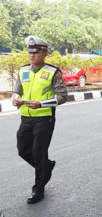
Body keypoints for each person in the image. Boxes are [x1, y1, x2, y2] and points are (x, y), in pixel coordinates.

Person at [12, 36, 68, 204]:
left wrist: (41, 103)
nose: (32, 56)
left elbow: (63, 96)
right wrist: (15, 98)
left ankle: (38, 190)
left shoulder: (53, 72)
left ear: (44, 53)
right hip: (26, 118)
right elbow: (16, 91)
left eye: (36, 53)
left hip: (44, 119)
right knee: (23, 151)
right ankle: (46, 167)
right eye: (30, 53)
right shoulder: (23, 71)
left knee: (38, 152)